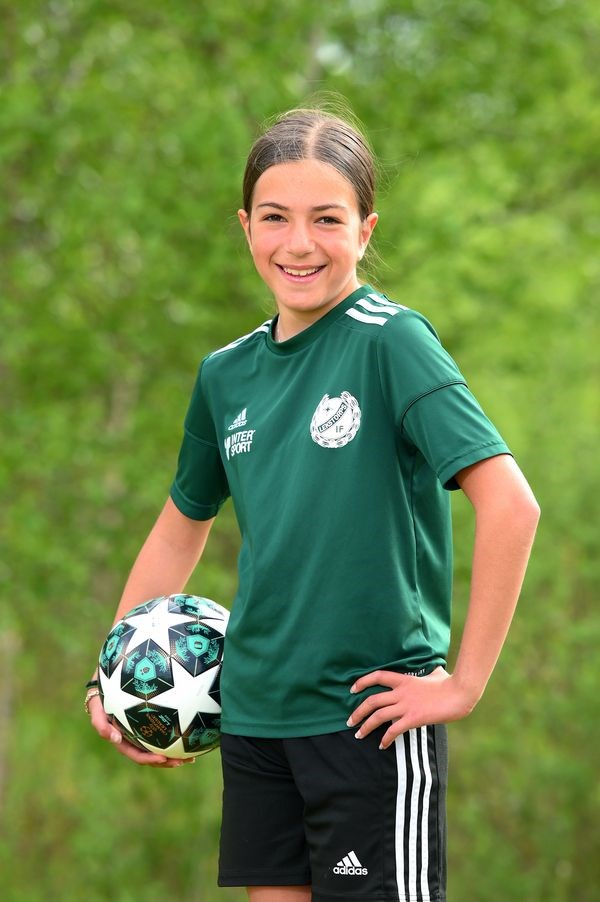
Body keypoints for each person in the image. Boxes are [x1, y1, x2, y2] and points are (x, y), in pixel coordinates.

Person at [86, 105, 540, 902]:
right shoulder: (226, 375)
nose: (299, 243)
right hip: (253, 719)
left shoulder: (391, 342)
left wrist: (462, 685)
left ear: (365, 229)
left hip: (368, 722)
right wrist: (114, 681)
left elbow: (511, 505)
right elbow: (179, 529)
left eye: (326, 219)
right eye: (275, 217)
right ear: (245, 228)